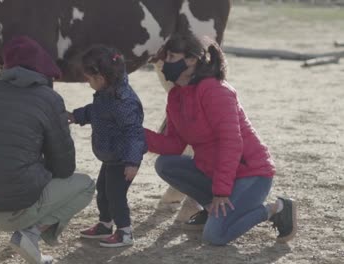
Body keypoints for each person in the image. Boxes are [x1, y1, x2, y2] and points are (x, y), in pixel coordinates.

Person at [0, 36, 95, 264]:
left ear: (5, 68)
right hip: (14, 211)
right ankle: (29, 234)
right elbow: (64, 168)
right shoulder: (50, 99)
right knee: (85, 185)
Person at [145, 34, 298, 245]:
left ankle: (275, 209)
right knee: (165, 164)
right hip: (217, 174)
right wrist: (134, 134)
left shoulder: (216, 90)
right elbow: (173, 144)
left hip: (250, 174)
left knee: (215, 236)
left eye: (171, 56)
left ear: (191, 60)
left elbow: (231, 143)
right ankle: (213, 210)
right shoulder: (176, 96)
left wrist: (221, 192)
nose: (165, 63)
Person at [68, 45, 147, 248]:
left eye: (89, 79)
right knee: (103, 191)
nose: (88, 83)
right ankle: (105, 224)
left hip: (122, 159)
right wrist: (76, 116)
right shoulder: (107, 94)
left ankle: (124, 232)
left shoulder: (123, 101)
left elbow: (134, 132)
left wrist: (132, 161)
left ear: (101, 78)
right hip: (111, 156)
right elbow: (96, 111)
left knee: (115, 196)